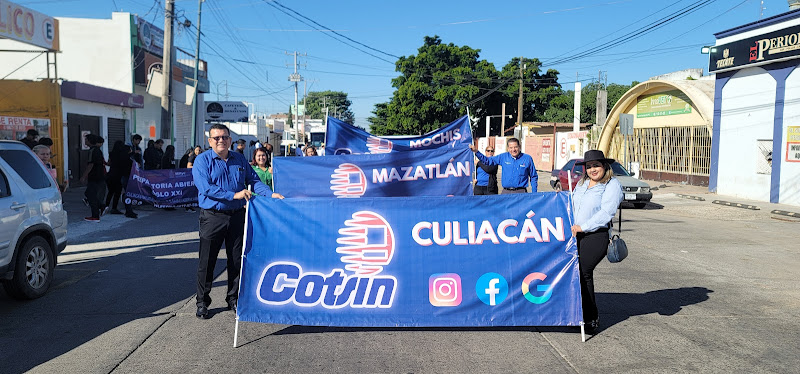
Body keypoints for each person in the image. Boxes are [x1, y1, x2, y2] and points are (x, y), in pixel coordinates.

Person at [192, 124, 284, 319]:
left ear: (230, 140)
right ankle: (202, 302)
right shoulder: (202, 160)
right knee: (207, 261)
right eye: (216, 138)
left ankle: (233, 298)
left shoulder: (239, 159)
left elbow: (254, 180)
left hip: (237, 216)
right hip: (212, 217)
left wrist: (271, 194)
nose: (221, 140)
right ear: (210, 141)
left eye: (224, 137)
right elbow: (205, 188)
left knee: (236, 260)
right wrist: (234, 195)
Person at [569, 150, 623, 333]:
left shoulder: (611, 184)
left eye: (596, 165)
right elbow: (572, 204)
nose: (593, 169)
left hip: (596, 235)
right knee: (574, 273)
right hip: (576, 234)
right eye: (589, 166)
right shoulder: (582, 183)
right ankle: (577, 314)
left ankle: (591, 318)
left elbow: (606, 213)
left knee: (584, 272)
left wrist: (583, 227)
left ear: (604, 166)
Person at [469, 138, 538, 193]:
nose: (513, 150)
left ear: (519, 147)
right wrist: (476, 151)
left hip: (521, 192)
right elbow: (488, 161)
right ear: (508, 148)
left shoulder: (527, 158)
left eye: (515, 147)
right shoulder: (503, 157)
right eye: (511, 148)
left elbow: (533, 176)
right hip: (506, 192)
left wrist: (534, 193)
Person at [80, 135, 107, 222]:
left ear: (90, 140)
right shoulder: (98, 150)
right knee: (89, 193)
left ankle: (95, 215)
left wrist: (84, 176)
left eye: (86, 140)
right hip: (99, 175)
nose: (85, 141)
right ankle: (101, 206)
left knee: (91, 195)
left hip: (94, 176)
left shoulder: (92, 150)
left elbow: (91, 164)